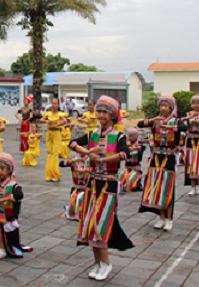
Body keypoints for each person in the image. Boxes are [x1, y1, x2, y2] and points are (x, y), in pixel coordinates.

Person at [69, 95, 135, 281]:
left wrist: (103, 159)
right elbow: (72, 143)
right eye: (99, 111)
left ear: (113, 115)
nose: (101, 115)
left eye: (105, 112)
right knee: (90, 222)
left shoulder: (118, 136)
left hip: (109, 184)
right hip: (92, 184)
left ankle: (106, 263)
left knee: (101, 223)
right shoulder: (92, 135)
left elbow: (125, 154)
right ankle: (97, 262)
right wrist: (87, 152)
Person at [137, 94, 185, 231]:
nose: (163, 108)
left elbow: (183, 129)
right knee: (156, 186)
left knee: (167, 187)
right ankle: (161, 218)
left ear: (171, 108)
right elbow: (140, 124)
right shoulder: (156, 120)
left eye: (166, 106)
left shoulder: (176, 121)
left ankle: (169, 219)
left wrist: (169, 128)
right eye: (162, 106)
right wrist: (153, 120)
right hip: (156, 156)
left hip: (169, 157)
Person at [39, 98, 68, 182]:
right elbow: (41, 119)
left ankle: (55, 174)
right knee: (49, 153)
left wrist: (56, 125)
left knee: (55, 154)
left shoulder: (60, 114)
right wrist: (47, 121)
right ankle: (49, 175)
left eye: (55, 103)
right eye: (52, 103)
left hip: (56, 133)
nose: (53, 105)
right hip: (49, 134)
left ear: (58, 105)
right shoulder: (48, 113)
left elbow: (65, 121)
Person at [59, 154, 90, 221]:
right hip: (76, 188)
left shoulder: (90, 161)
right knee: (76, 194)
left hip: (87, 188)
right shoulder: (75, 161)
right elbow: (61, 164)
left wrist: (86, 170)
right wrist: (73, 160)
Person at [118, 127, 144, 192]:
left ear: (135, 137)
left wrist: (133, 148)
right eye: (129, 136)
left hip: (135, 169)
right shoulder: (127, 144)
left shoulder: (140, 145)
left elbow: (140, 148)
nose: (129, 138)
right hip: (127, 169)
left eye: (131, 136)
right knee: (119, 179)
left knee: (132, 184)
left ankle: (136, 184)